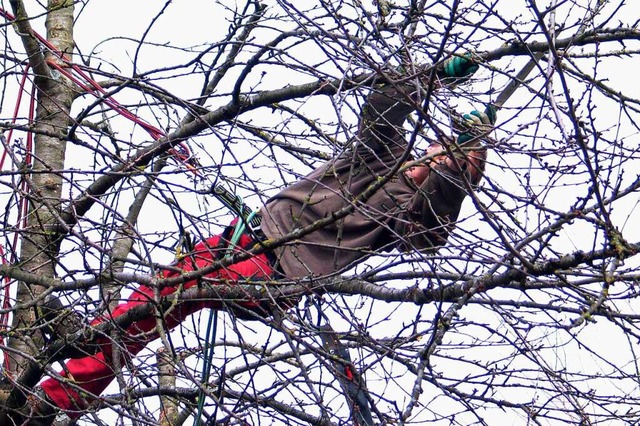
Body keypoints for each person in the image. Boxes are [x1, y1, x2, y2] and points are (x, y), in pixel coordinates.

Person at [19, 56, 494, 424]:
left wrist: (473, 147)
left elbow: (439, 225)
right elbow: (385, 103)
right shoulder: (377, 159)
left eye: (448, 161)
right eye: (438, 151)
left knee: (171, 294)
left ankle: (87, 341)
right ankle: (59, 394)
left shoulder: (411, 215)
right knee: (152, 301)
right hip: (241, 239)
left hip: (275, 273)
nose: (436, 158)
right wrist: (433, 76)